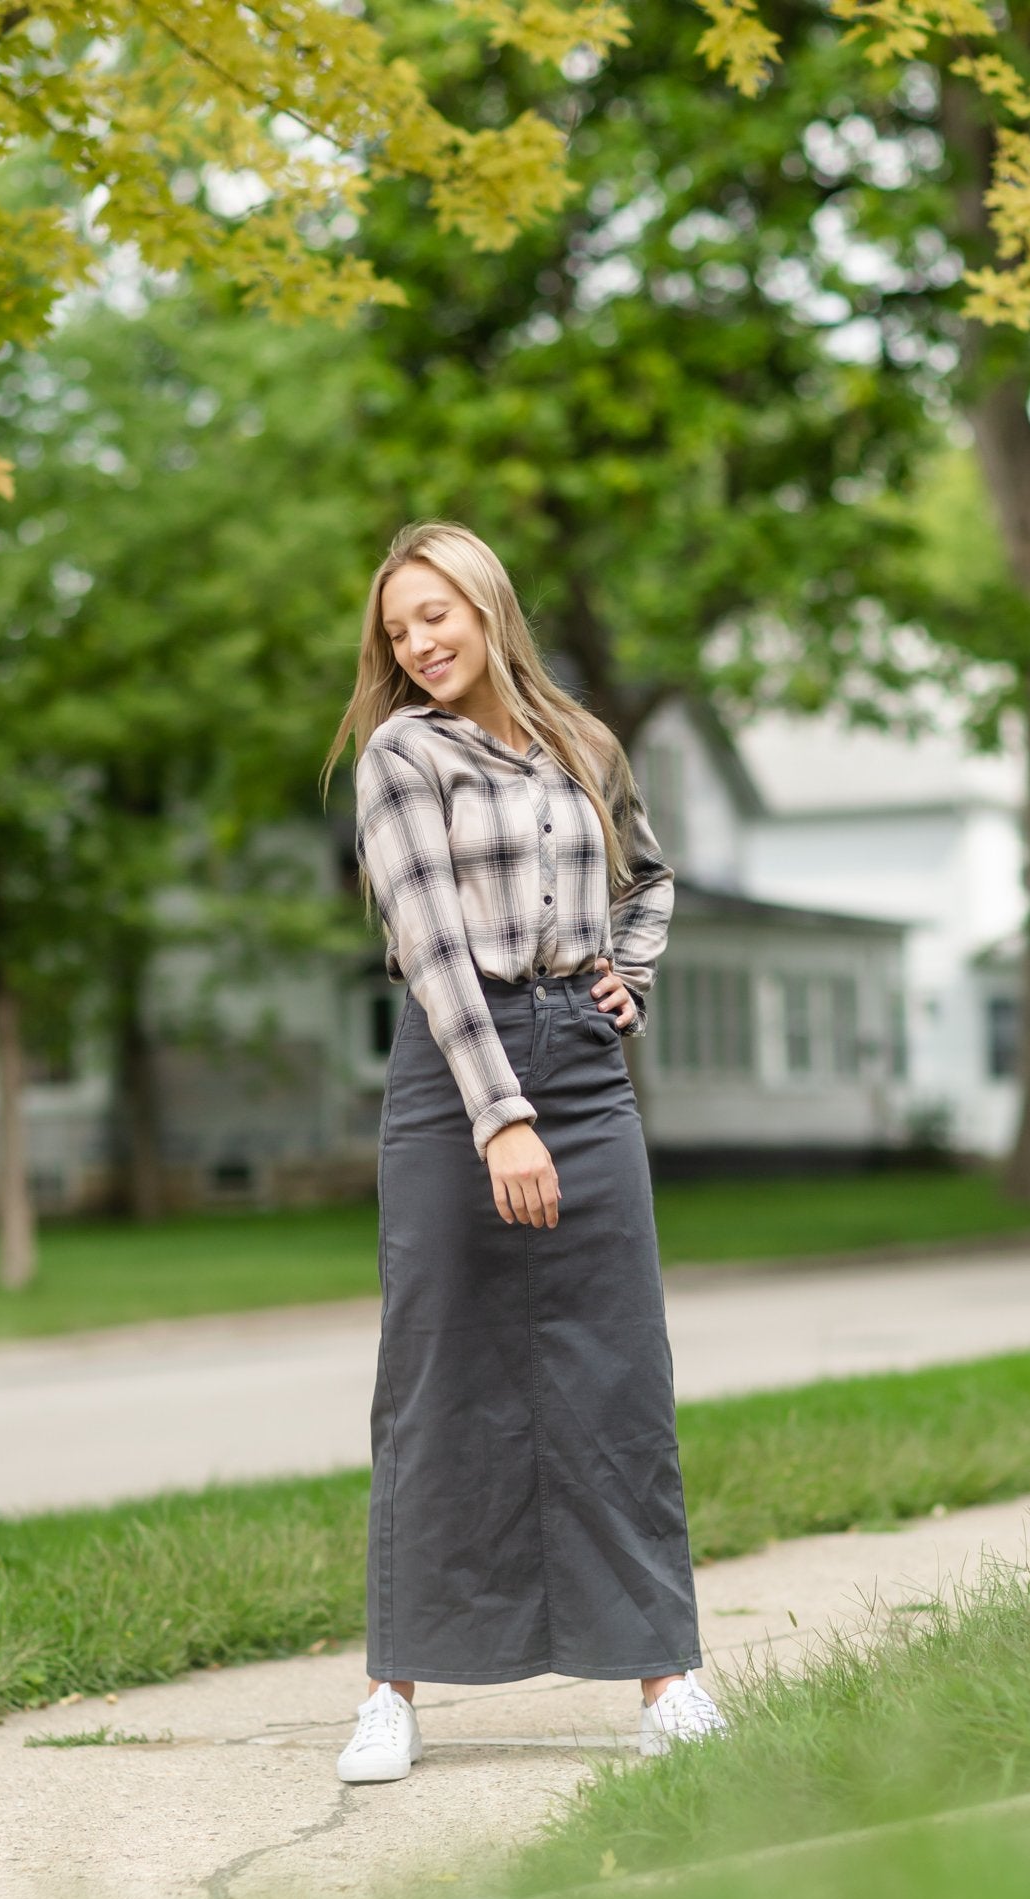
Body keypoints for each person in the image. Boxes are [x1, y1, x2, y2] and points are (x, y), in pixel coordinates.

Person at [320, 520, 728, 1783]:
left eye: (435, 613)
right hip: (457, 1070)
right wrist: (501, 1115)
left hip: (587, 1068)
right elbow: (433, 944)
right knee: (439, 1372)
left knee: (618, 1372)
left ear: (488, 604)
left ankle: (668, 1677)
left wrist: (630, 979)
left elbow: (648, 878)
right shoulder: (401, 754)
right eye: (399, 629)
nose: (419, 642)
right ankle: (392, 1687)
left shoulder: (581, 743)